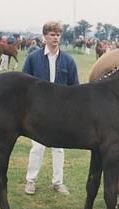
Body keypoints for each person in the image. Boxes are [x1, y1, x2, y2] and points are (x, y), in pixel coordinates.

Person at [22, 21, 79, 196]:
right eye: (52, 34)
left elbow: (75, 88)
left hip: (61, 113)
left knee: (59, 148)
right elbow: (24, 83)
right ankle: (31, 181)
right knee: (37, 147)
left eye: (58, 34)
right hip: (38, 112)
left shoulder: (68, 60)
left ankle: (58, 182)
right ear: (45, 36)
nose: (56, 37)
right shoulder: (33, 58)